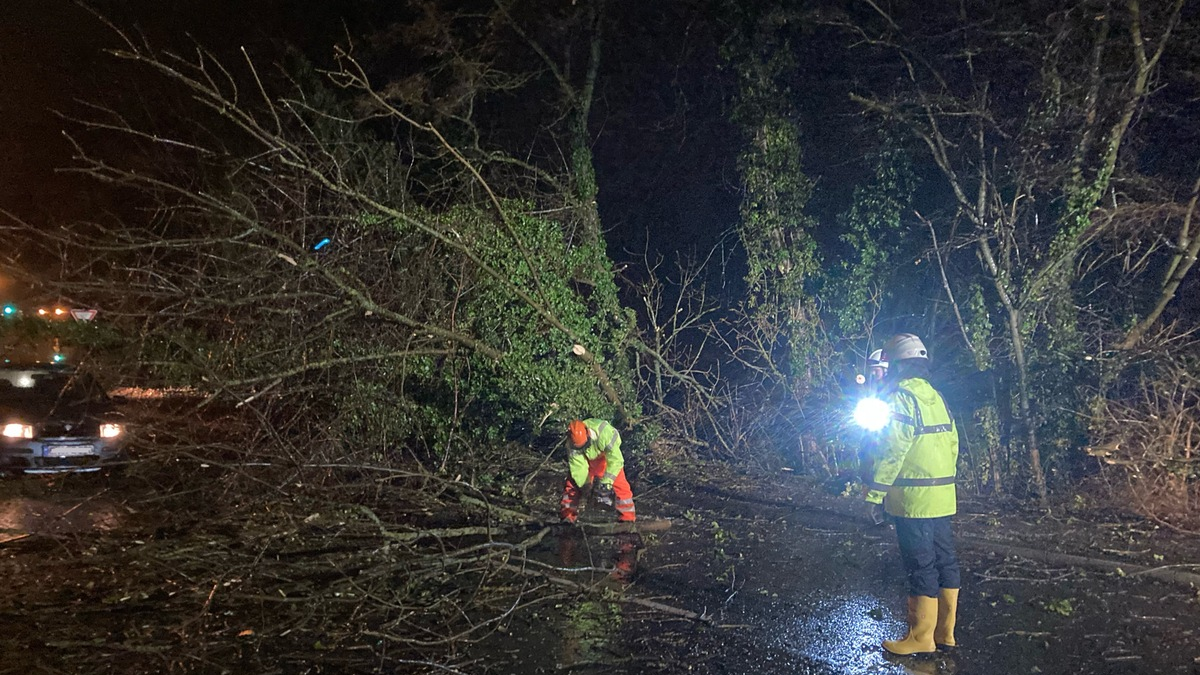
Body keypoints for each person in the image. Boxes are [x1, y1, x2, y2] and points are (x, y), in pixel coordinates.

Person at [864, 333, 960, 656]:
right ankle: (945, 633)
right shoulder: (937, 397)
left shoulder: (901, 399)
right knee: (945, 562)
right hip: (943, 498)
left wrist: (874, 495)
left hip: (913, 503)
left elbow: (893, 452)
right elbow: (953, 445)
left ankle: (921, 638)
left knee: (921, 566)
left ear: (899, 365)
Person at [560, 418, 636, 523]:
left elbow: (615, 460)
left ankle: (627, 519)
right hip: (586, 461)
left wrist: (606, 483)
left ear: (588, 434)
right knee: (571, 487)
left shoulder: (604, 432)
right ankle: (567, 517)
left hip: (606, 460)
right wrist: (586, 486)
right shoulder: (571, 444)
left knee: (620, 486)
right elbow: (578, 467)